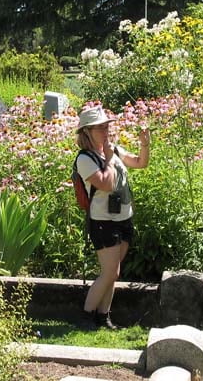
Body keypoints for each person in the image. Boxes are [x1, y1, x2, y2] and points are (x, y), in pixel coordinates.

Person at [75, 106, 150, 329]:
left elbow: (140, 162)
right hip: (103, 222)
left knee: (113, 273)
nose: (106, 131)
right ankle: (87, 316)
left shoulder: (114, 150)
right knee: (109, 272)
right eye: (100, 128)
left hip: (123, 218)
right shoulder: (85, 159)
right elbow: (106, 184)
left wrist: (145, 144)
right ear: (86, 132)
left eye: (107, 126)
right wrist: (108, 159)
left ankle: (103, 316)